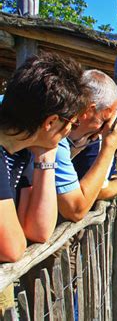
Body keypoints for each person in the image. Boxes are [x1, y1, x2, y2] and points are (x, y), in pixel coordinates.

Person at [0, 53, 90, 313]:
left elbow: (38, 230)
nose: (69, 133)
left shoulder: (24, 148)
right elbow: (13, 246)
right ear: (50, 122)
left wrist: (46, 158)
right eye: (70, 125)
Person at [55, 69, 117, 222]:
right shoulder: (54, 135)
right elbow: (76, 210)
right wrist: (109, 146)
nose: (103, 128)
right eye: (104, 119)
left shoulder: (64, 135)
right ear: (89, 110)